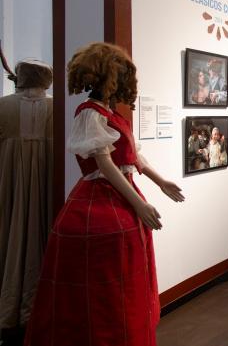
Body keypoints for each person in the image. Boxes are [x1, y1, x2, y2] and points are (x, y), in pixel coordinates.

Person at [25, 42, 185, 346]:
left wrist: (161, 182)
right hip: (100, 201)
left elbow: (133, 158)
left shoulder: (111, 114)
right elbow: (105, 164)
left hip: (121, 199)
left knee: (124, 279)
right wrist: (138, 204)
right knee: (101, 287)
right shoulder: (89, 113)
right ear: (110, 77)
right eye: (122, 76)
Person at [0, 58, 53, 346]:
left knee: (9, 237)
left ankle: (9, 311)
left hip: (9, 184)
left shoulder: (3, 106)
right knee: (41, 236)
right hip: (47, 183)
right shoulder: (57, 108)